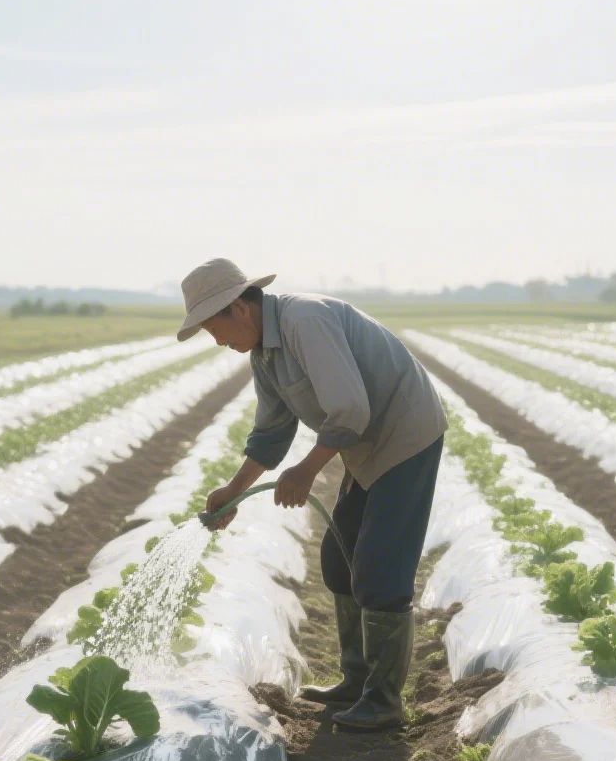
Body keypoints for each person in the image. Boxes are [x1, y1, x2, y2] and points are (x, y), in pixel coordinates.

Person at [179, 257, 446, 730]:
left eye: (213, 328)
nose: (218, 341)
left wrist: (306, 471)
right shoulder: (264, 352)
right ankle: (356, 679)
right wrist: (233, 491)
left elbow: (349, 408)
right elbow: (271, 433)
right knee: (338, 560)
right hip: (365, 447)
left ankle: (384, 701)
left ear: (239, 308)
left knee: (380, 568)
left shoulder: (305, 320)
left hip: (405, 436)